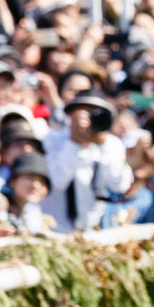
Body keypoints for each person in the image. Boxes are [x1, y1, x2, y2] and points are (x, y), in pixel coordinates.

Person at [41, 92, 132, 233]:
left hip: (92, 229)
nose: (89, 121)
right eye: (85, 113)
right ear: (71, 114)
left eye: (96, 114)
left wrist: (102, 143)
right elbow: (57, 182)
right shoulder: (52, 140)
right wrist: (74, 143)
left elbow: (119, 186)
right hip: (55, 229)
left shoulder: (112, 145)